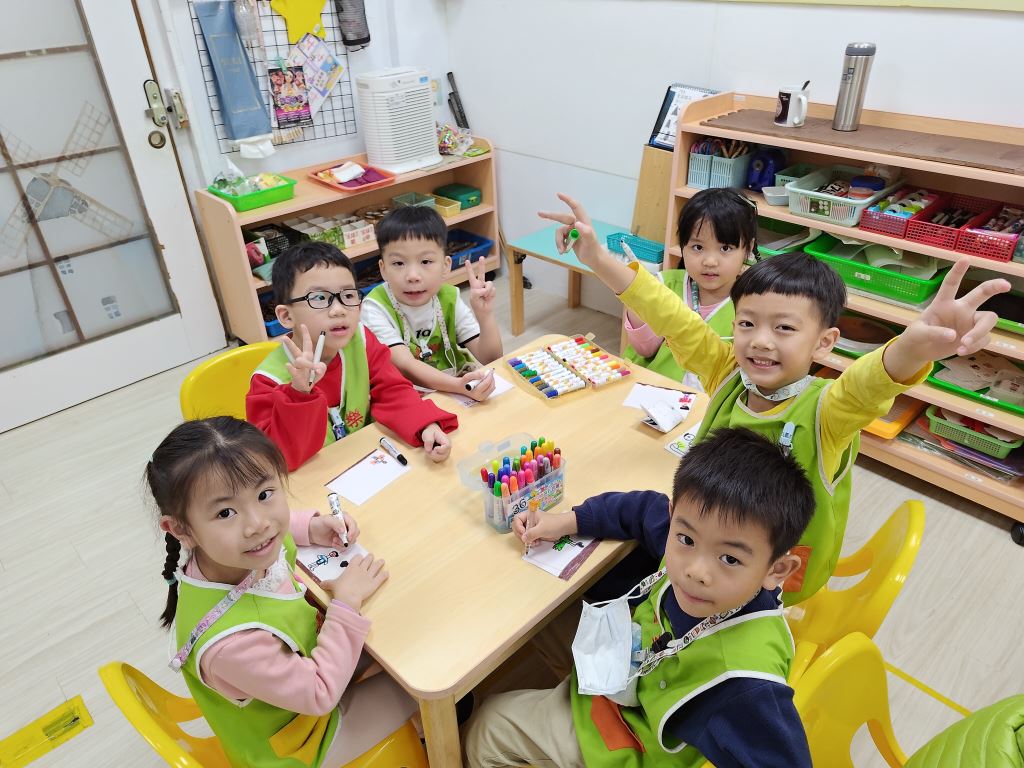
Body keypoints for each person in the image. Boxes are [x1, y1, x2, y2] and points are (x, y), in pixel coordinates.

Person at [540, 193, 1008, 604]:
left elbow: (872, 381)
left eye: (784, 328)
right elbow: (671, 317)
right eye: (747, 324)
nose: (760, 341)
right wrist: (597, 256)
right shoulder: (729, 374)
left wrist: (917, 345)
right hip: (702, 543)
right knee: (603, 577)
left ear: (824, 343)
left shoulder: (828, 410)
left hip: (763, 580)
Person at [465, 427, 815, 768]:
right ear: (674, 518)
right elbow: (644, 508)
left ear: (777, 570)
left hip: (624, 743)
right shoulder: (697, 542)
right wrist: (567, 521)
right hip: (625, 676)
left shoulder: (745, 686)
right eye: (686, 539)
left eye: (730, 559)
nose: (696, 571)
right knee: (545, 615)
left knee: (486, 728)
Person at [150, 416, 417, 767]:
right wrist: (347, 602)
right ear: (180, 529)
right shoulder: (231, 645)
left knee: (399, 638)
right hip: (301, 741)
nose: (258, 524)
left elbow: (281, 531)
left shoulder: (234, 554)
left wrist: (313, 526)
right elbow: (320, 693)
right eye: (226, 512)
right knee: (418, 678)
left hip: (300, 680)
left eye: (264, 494)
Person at [246, 240, 457, 471]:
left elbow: (391, 389)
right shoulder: (268, 380)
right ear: (286, 316)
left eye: (348, 295)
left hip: (368, 461)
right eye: (319, 298)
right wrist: (299, 393)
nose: (339, 310)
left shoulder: (361, 340)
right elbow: (274, 460)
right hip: (313, 480)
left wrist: (424, 425)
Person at [361, 206, 503, 401]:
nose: (413, 276)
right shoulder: (375, 307)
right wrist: (460, 386)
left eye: (426, 261)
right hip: (406, 399)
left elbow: (491, 358)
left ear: (445, 266)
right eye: (399, 263)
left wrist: (484, 315)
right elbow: (406, 365)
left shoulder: (449, 297)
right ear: (383, 269)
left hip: (457, 389)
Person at [623, 187, 754, 390]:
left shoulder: (754, 303)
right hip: (652, 393)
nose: (710, 261)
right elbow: (644, 349)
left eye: (725, 248)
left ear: (748, 249)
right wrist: (639, 295)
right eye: (698, 247)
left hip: (710, 404)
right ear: (682, 246)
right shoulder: (665, 285)